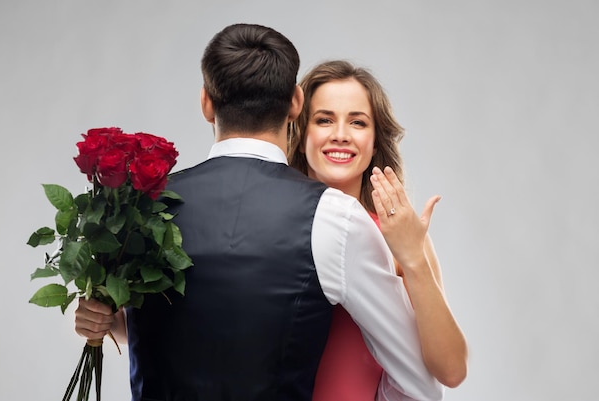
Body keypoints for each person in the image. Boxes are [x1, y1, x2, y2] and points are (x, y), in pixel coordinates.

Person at [74, 24, 444, 401]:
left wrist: (105, 320)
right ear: (296, 102)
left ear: (206, 103)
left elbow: (157, 333)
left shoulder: (143, 207)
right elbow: (419, 384)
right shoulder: (337, 217)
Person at [287, 60, 468, 400]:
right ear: (300, 136)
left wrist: (413, 258)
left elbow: (451, 370)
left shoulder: (401, 236)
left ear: (374, 142)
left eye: (358, 122)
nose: (340, 134)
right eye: (324, 119)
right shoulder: (276, 227)